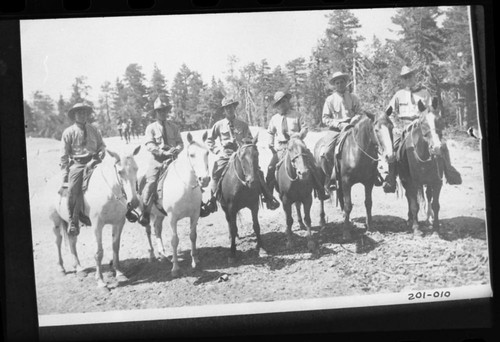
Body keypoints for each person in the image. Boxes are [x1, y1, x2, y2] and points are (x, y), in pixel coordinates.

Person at [383, 66, 462, 193]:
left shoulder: (424, 92)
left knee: (441, 144)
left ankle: (449, 171)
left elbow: (431, 111)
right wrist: (395, 126)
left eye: (410, 76)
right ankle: (391, 178)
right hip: (404, 126)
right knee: (393, 148)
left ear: (415, 76)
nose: (408, 79)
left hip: (422, 125)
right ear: (403, 80)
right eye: (405, 77)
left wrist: (425, 119)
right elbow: (389, 113)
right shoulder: (398, 95)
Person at [204, 96, 280, 213]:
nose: (229, 110)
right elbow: (209, 140)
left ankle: (268, 197)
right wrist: (217, 151)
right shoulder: (219, 125)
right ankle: (213, 201)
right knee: (216, 173)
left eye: (231, 107)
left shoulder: (243, 125)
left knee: (258, 171)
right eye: (227, 108)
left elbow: (249, 139)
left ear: (235, 108)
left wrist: (246, 147)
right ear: (224, 110)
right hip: (226, 154)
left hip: (242, 153)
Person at [266, 91, 330, 201]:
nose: (282, 104)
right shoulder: (274, 119)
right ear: (277, 106)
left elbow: (305, 128)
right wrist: (270, 143)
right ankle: (269, 196)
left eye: (284, 101)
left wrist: (300, 135)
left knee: (314, 164)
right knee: (271, 168)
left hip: (297, 145)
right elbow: (270, 132)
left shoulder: (296, 115)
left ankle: (320, 190)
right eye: (279, 103)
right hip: (283, 147)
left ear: (287, 101)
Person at [321, 71, 374, 191]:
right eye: (337, 83)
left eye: (342, 82)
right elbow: (325, 118)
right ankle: (331, 176)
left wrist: (354, 120)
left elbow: (360, 112)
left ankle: (374, 174)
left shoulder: (353, 97)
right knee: (327, 151)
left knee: (370, 144)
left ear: (346, 83)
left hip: (353, 127)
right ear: (334, 85)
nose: (340, 84)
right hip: (336, 129)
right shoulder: (330, 100)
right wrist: (338, 124)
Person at [60, 103, 106, 235]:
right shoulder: (68, 132)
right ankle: (73, 221)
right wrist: (65, 173)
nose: (82, 115)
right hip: (78, 164)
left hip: (95, 161)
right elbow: (63, 155)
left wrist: (102, 151)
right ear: (74, 115)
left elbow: (101, 145)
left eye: (85, 113)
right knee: (74, 189)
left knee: (113, 178)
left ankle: (120, 210)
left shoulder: (94, 129)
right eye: (79, 113)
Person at [138, 96, 184, 226]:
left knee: (189, 175)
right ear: (155, 113)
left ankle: (199, 204)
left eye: (164, 111)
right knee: (151, 182)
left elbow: (181, 142)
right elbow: (150, 145)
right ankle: (145, 212)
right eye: (159, 111)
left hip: (173, 160)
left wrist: (177, 149)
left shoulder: (173, 127)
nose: (162, 113)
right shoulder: (151, 128)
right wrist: (163, 152)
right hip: (157, 161)